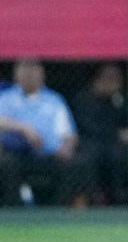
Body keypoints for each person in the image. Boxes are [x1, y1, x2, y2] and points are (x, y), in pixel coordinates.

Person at [0, 58, 91, 207]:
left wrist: (66, 148)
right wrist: (23, 129)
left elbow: (69, 134)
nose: (29, 73)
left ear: (42, 74)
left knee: (79, 163)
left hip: (48, 155)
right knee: (5, 164)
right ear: (16, 74)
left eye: (34, 69)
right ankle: (15, 210)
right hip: (15, 155)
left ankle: (58, 211)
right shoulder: (6, 98)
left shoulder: (54, 100)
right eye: (25, 68)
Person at [71, 61, 128, 206]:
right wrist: (116, 133)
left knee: (118, 156)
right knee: (88, 157)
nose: (113, 83)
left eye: (116, 79)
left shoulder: (120, 100)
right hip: (89, 142)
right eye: (109, 78)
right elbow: (87, 127)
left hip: (113, 146)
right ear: (97, 80)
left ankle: (115, 201)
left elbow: (127, 125)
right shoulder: (83, 99)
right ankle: (88, 199)